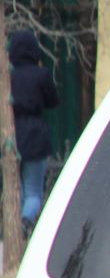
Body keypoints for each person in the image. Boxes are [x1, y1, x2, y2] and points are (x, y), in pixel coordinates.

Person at [9, 30, 59, 234]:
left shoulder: (7, 76)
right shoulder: (42, 74)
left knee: (15, 189)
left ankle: (14, 228)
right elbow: (53, 101)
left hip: (11, 135)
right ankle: (25, 223)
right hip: (36, 136)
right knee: (33, 192)